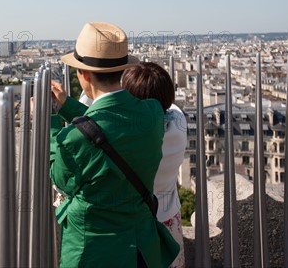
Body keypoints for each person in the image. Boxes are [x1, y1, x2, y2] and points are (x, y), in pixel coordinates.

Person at [50, 22, 179, 268]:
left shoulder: (74, 140)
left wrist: (50, 123)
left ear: (84, 75)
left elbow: (60, 178)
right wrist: (67, 105)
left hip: (94, 252)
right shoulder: (152, 114)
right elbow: (109, 125)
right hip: (142, 248)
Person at [121, 62, 187, 268]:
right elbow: (170, 107)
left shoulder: (125, 138)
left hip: (133, 228)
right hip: (167, 221)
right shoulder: (178, 122)